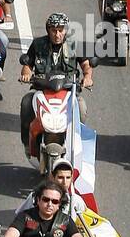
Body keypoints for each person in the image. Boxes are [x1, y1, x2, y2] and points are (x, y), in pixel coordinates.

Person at [18, 11, 93, 154]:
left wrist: (87, 77)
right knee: (26, 103)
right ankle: (28, 143)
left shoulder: (75, 44)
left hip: (68, 91)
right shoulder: (38, 44)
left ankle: (76, 142)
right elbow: (27, 64)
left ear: (66, 31)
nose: (57, 34)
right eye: (53, 30)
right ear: (48, 31)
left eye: (60, 30)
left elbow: (86, 64)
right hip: (42, 89)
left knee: (81, 108)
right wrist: (26, 74)